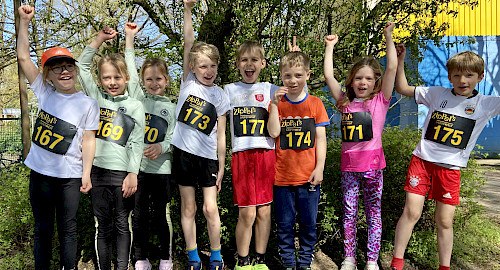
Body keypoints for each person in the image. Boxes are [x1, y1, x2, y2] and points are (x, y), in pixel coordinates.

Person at [390, 46, 500, 270]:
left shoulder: (486, 104)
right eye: (457, 75)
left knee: (444, 221)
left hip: (450, 169)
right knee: (411, 212)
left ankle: (445, 267)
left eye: (469, 75)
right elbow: (402, 88)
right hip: (422, 162)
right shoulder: (436, 93)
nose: (462, 80)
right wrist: (400, 61)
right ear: (449, 76)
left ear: (480, 77)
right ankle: (396, 263)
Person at [16, 5, 99, 269]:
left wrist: (86, 174)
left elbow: (88, 140)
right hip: (40, 174)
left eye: (68, 66)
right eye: (56, 68)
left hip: (70, 178)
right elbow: (23, 59)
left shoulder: (88, 104)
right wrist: (25, 22)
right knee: (42, 228)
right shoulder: (45, 93)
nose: (64, 72)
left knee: (68, 229)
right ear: (47, 76)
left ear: (75, 69)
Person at [324, 22, 397, 270]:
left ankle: (373, 260)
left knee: (373, 213)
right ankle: (349, 258)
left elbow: (392, 69)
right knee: (349, 214)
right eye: (358, 78)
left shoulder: (380, 101)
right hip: (350, 168)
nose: (362, 82)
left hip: (374, 167)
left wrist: (388, 37)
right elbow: (329, 76)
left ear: (375, 80)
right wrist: (329, 47)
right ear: (352, 81)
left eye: (368, 78)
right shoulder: (344, 102)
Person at [77, 26, 145, 270]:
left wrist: (132, 173)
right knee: (102, 226)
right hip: (97, 172)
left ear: (125, 78)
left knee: (121, 225)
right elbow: (82, 67)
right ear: (100, 80)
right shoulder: (96, 98)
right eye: (107, 77)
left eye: (117, 77)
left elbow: (137, 142)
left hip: (123, 175)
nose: (112, 82)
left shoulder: (135, 105)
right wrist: (98, 39)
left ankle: (122, 266)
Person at [172, 0, 230, 269]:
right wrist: (187, 10)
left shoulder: (220, 95)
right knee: (189, 208)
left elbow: (221, 135)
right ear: (193, 68)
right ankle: (193, 256)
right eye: (203, 66)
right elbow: (188, 43)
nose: (209, 71)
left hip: (207, 158)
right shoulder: (188, 82)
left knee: (209, 208)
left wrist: (221, 165)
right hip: (183, 154)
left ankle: (216, 255)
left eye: (213, 66)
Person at [268, 50, 329, 270]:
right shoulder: (277, 103)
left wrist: (319, 167)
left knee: (308, 224)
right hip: (282, 178)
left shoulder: (315, 104)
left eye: (298, 75)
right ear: (281, 77)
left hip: (309, 177)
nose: (293, 80)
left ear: (308, 75)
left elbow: (321, 140)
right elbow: (274, 132)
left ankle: (304, 263)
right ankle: (288, 263)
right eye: (287, 76)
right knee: (284, 225)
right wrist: (274, 105)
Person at [124, 22, 176, 270]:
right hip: (139, 171)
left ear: (166, 80)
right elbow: (130, 72)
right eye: (149, 79)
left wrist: (163, 147)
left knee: (162, 217)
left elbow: (177, 139)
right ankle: (140, 258)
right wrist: (129, 39)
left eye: (158, 78)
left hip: (162, 172)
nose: (154, 83)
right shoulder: (138, 100)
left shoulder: (173, 108)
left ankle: (166, 258)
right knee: (140, 216)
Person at [225, 40, 278, 270]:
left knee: (264, 211)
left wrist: (296, 57)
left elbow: (299, 90)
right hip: (242, 156)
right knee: (247, 214)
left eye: (254, 60)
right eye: (244, 60)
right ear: (237, 64)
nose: (249, 64)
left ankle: (260, 259)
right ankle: (243, 260)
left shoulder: (271, 89)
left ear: (263, 63)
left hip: (266, 155)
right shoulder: (228, 90)